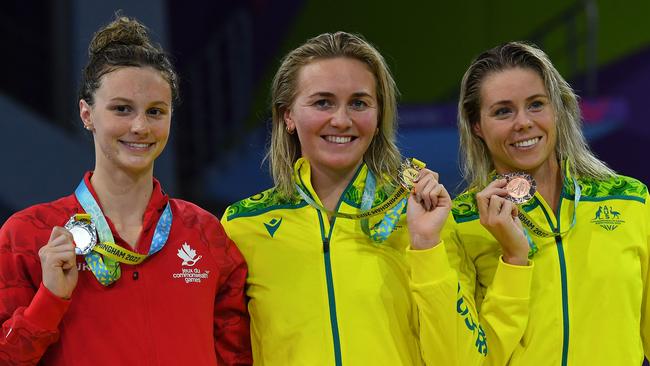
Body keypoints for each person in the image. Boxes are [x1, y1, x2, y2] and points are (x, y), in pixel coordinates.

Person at [221, 31, 486, 365]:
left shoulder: (419, 214)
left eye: (359, 103)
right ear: (288, 115)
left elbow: (461, 359)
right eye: (323, 102)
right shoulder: (244, 225)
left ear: (378, 118)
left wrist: (426, 245)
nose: (342, 120)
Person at [0, 15, 252, 365]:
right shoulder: (28, 236)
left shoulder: (206, 234)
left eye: (155, 112)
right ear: (87, 114)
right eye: (122, 109)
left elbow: (237, 357)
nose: (139, 126)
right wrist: (50, 299)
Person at [448, 41, 650, 365]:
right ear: (476, 126)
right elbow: (467, 359)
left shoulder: (630, 200)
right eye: (503, 111)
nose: (523, 122)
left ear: (558, 108)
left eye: (536, 104)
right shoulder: (460, 223)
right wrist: (513, 262)